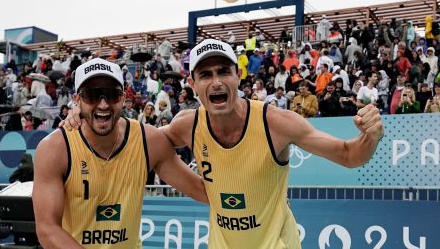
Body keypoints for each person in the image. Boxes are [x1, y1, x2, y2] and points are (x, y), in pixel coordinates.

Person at [63, 39, 384, 249]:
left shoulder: (276, 123)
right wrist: (85, 115)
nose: (215, 81)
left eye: (223, 71)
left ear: (237, 77)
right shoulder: (187, 126)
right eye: (205, 74)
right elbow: (135, 139)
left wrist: (370, 137)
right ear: (193, 85)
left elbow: (348, 155)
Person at [33, 58, 208, 248]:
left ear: (123, 98)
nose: (103, 104)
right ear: (77, 100)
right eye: (92, 95)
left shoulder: (148, 140)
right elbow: (47, 229)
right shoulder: (55, 148)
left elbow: (202, 191)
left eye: (111, 95)